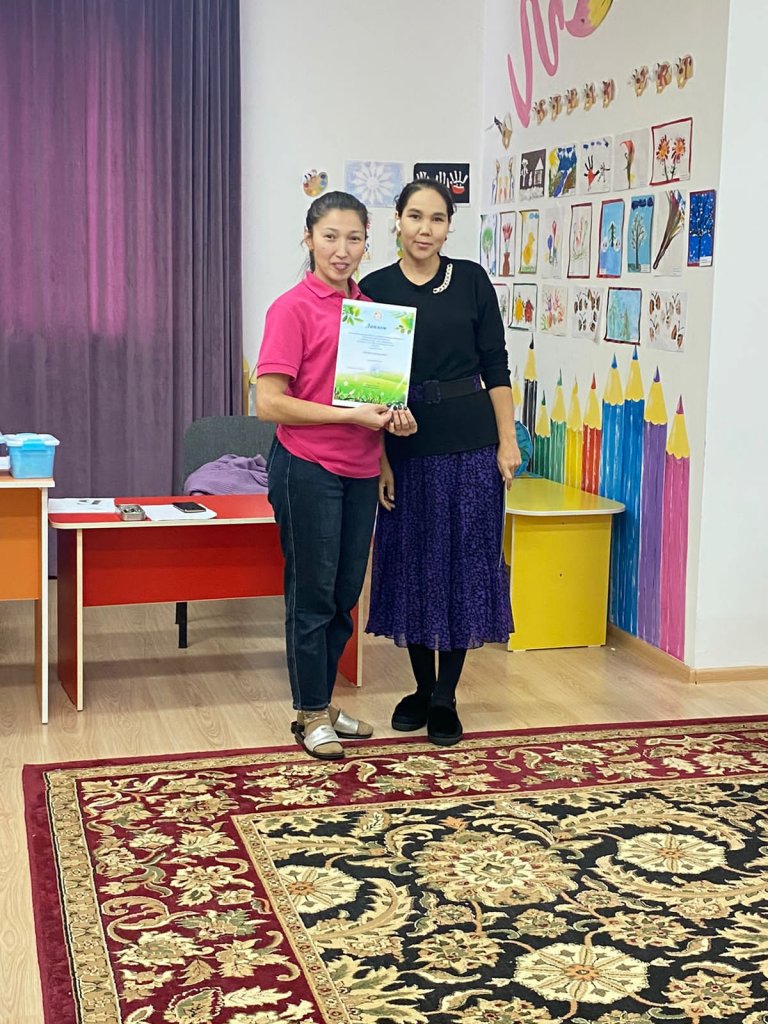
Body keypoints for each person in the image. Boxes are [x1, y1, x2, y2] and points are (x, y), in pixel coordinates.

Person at [360, 179, 521, 746]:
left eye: (436, 219)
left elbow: (496, 365)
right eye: (415, 217)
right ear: (397, 220)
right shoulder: (373, 289)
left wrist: (507, 440)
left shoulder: (471, 280)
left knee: (464, 565)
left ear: (449, 226)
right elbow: (368, 385)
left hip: (472, 444)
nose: (424, 229)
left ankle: (447, 695)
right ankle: (422, 688)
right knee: (414, 566)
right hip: (406, 447)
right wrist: (381, 458)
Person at [256, 191, 416, 761]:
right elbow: (269, 404)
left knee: (345, 594)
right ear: (309, 239)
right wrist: (348, 417)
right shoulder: (291, 309)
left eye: (354, 238)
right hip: (306, 466)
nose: (342, 250)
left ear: (368, 242)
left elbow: (375, 404)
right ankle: (309, 712)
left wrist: (389, 434)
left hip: (359, 469)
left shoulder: (371, 313)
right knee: (312, 593)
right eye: (330, 237)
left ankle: (321, 704)